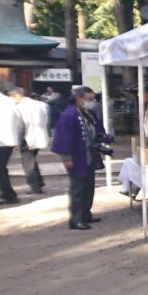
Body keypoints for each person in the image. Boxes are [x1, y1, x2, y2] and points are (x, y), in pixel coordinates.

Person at [51, 86, 107, 229]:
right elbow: (63, 138)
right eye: (88, 99)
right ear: (78, 99)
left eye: (93, 99)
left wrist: (104, 138)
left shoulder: (90, 114)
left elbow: (99, 130)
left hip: (90, 156)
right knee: (77, 189)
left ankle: (86, 214)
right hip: (77, 157)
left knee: (89, 187)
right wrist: (66, 157)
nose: (91, 102)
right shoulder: (68, 115)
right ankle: (76, 219)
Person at [9, 87, 51, 194]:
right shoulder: (41, 105)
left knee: (28, 163)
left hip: (26, 137)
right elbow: (48, 122)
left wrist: (17, 141)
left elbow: (21, 126)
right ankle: (39, 182)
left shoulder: (19, 107)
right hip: (40, 135)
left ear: (17, 95)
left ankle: (35, 186)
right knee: (32, 160)